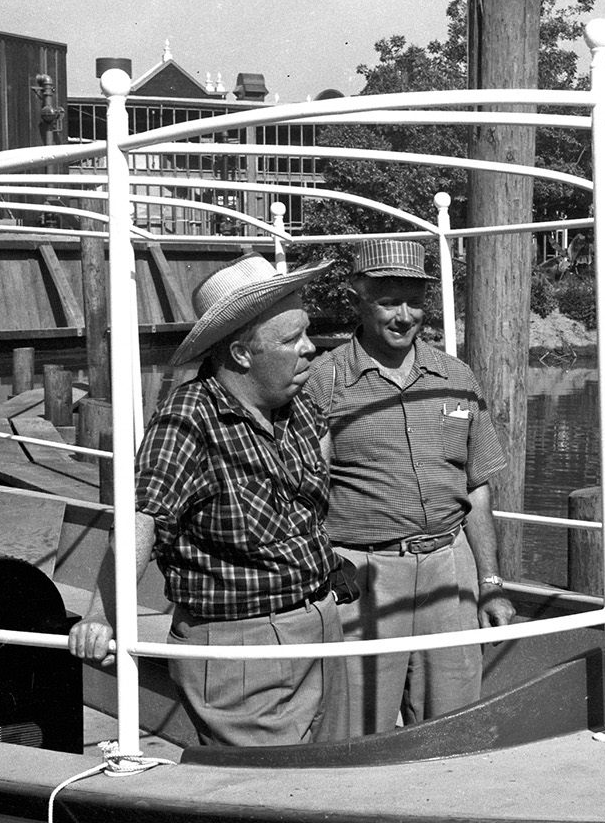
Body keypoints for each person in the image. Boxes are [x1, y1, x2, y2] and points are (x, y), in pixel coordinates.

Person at [68, 254, 348, 746]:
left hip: (321, 627)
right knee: (270, 801)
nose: (311, 350)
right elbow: (141, 520)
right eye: (291, 340)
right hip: (240, 650)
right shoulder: (186, 421)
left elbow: (316, 490)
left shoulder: (298, 406)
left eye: (308, 332)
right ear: (241, 354)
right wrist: (101, 616)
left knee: (332, 780)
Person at [305, 239, 514, 735]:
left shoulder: (456, 376)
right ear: (359, 296)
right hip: (361, 572)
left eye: (414, 302)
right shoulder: (323, 381)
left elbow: (478, 487)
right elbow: (305, 495)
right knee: (357, 725)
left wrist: (490, 584)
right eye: (388, 301)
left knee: (455, 722)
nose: (404, 316)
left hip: (450, 568)